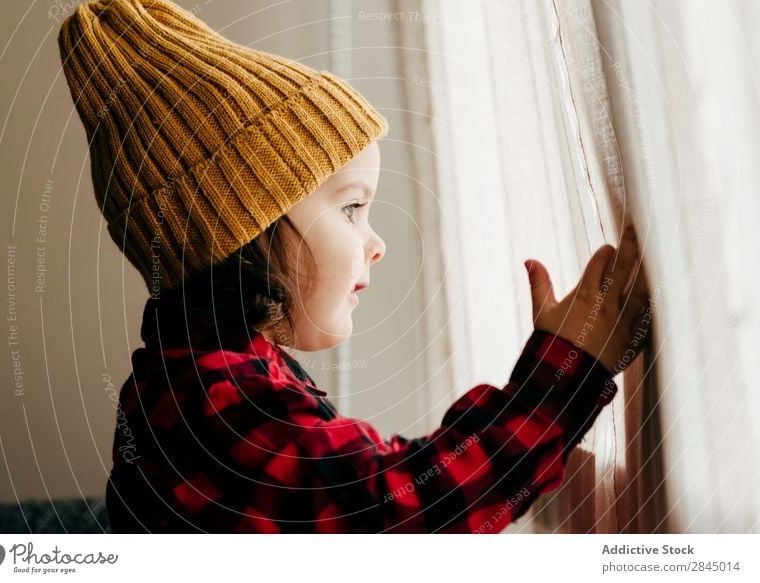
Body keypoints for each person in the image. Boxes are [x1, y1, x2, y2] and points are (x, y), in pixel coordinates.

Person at [58, 0, 652, 533]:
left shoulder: (197, 375)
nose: (377, 243)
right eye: (350, 208)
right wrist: (563, 375)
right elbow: (403, 514)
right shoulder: (218, 407)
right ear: (240, 231)